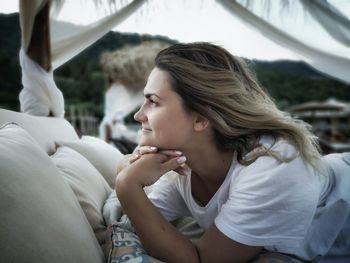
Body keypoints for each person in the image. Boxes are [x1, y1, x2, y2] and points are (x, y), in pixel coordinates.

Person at [115, 42, 349, 263]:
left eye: (153, 101)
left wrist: (127, 185)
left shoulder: (273, 165)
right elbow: (144, 223)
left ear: (201, 118)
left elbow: (201, 259)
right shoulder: (180, 167)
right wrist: (129, 172)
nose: (138, 115)